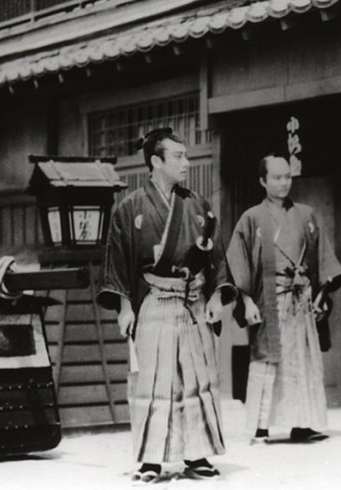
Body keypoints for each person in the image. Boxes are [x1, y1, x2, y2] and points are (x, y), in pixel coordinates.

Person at [97, 128, 232, 482]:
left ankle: (196, 454)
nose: (186, 163)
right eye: (178, 157)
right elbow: (117, 261)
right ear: (156, 161)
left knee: (196, 378)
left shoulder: (198, 206)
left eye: (186, 156)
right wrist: (125, 307)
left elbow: (216, 254)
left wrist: (218, 296)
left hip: (192, 301)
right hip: (154, 301)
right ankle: (152, 458)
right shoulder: (130, 209)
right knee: (154, 381)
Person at [226, 154, 341, 444]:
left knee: (303, 360)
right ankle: (260, 425)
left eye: (287, 176)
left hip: (301, 299)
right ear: (263, 181)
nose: (283, 182)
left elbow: (322, 260)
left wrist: (321, 295)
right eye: (276, 177)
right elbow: (237, 262)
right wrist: (247, 301)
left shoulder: (307, 215)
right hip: (270, 298)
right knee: (267, 359)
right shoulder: (251, 218)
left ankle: (302, 423)